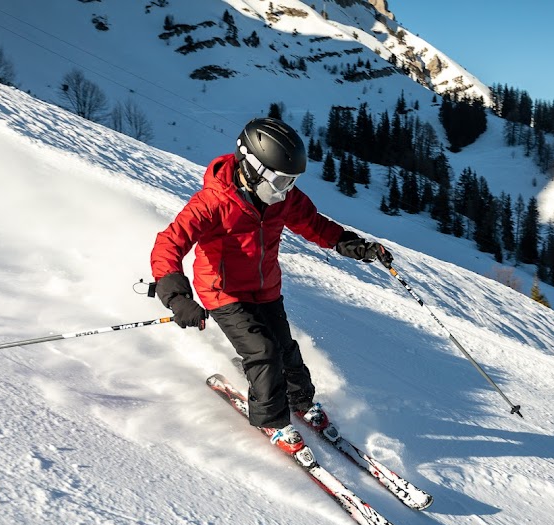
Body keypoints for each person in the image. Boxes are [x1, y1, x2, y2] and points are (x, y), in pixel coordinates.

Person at [150, 117, 392, 455]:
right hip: (223, 293)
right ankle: (272, 420)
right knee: (262, 352)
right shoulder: (213, 202)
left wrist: (354, 245)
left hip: (265, 288)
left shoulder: (284, 198)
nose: (285, 189)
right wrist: (176, 296)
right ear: (251, 167)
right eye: (279, 180)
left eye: (291, 181)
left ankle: (300, 400)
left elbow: (314, 224)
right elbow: (169, 244)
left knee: (285, 349)